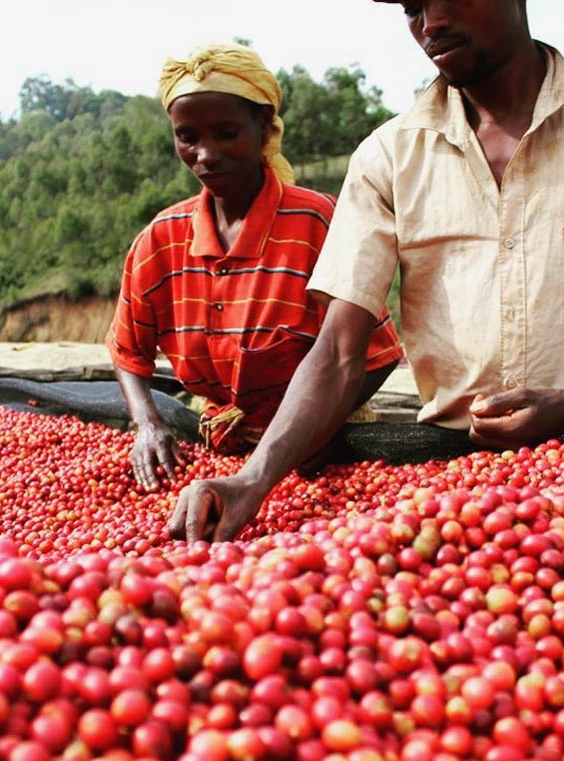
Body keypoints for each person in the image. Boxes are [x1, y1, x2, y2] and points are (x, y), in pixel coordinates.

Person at [168, 0, 564, 543]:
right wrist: (252, 479)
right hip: (461, 473)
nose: (431, 24)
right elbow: (339, 351)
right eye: (413, 8)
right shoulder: (388, 157)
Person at [106, 43, 402, 490]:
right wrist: (148, 424)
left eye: (226, 132)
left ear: (264, 127)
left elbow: (375, 355)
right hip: (219, 444)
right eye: (188, 136)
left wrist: (313, 431)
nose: (205, 153)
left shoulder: (317, 224)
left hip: (321, 447)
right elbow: (129, 351)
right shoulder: (160, 240)